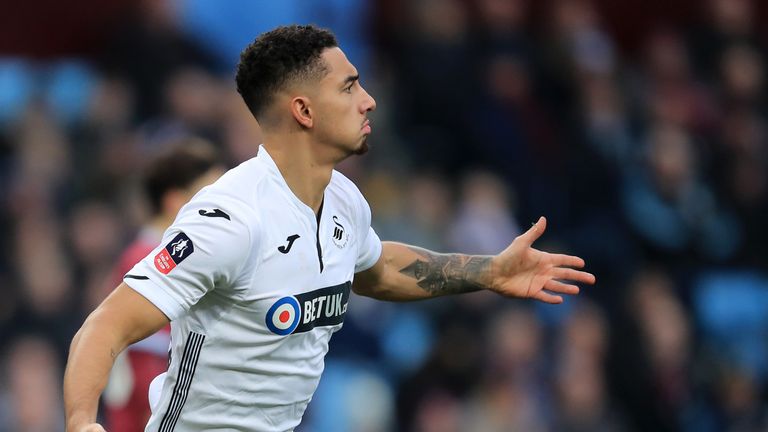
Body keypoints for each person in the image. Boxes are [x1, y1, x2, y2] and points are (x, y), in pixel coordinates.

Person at [64, 24, 595, 432]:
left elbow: (378, 267)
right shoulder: (229, 220)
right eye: (349, 86)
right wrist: (81, 423)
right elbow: (104, 327)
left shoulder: (343, 200)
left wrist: (488, 270)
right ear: (303, 110)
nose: (368, 100)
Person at [101, 138, 224, 432]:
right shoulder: (146, 259)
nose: (226, 207)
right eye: (213, 194)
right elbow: (147, 361)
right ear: (175, 202)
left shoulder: (189, 255)